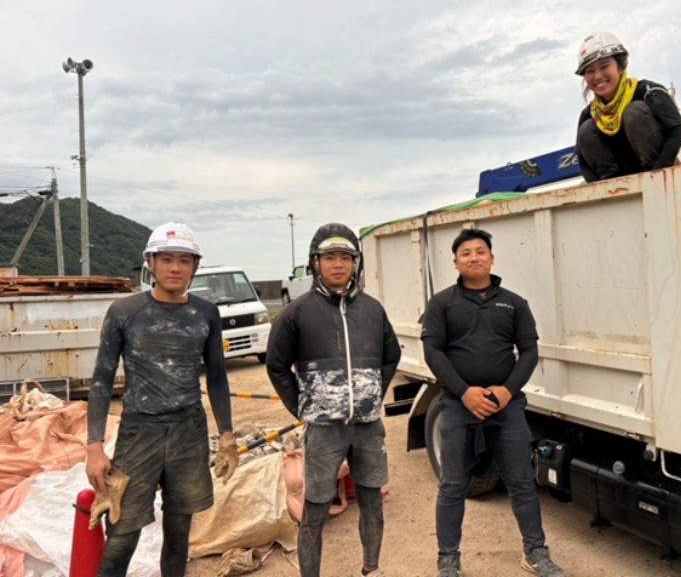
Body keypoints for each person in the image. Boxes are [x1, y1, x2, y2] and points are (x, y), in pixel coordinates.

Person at [85, 222, 238, 577]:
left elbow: (217, 377)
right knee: (121, 533)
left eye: (185, 260)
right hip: (140, 433)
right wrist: (94, 447)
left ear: (195, 267)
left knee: (179, 535)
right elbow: (102, 380)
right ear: (150, 263)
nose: (175, 268)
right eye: (166, 259)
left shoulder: (206, 313)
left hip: (189, 433)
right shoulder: (124, 311)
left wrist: (228, 436)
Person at [421, 228, 565, 577]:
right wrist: (464, 392)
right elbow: (433, 352)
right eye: (466, 253)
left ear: (492, 258)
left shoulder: (514, 303)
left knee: (522, 482)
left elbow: (529, 351)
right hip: (458, 405)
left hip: (506, 406)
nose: (474, 257)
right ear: (455, 262)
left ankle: (535, 552)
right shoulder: (442, 303)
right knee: (453, 486)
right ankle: (448, 560)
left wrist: (507, 391)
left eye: (480, 251)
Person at [267, 223, 401, 577]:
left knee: (372, 503)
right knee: (315, 508)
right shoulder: (297, 312)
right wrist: (303, 406)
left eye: (345, 257)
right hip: (323, 431)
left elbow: (391, 357)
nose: (338, 264)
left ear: (356, 262)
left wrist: (372, 394)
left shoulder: (372, 310)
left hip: (368, 428)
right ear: (315, 262)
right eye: (329, 257)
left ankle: (371, 569)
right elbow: (277, 366)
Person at [575, 31, 681, 183]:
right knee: (586, 130)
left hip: (666, 177)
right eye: (590, 71)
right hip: (621, 188)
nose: (598, 76)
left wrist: (654, 179)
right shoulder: (588, 115)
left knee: (634, 112)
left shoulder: (650, 93)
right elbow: (583, 162)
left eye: (604, 66)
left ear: (621, 66)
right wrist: (604, 190)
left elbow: (679, 135)